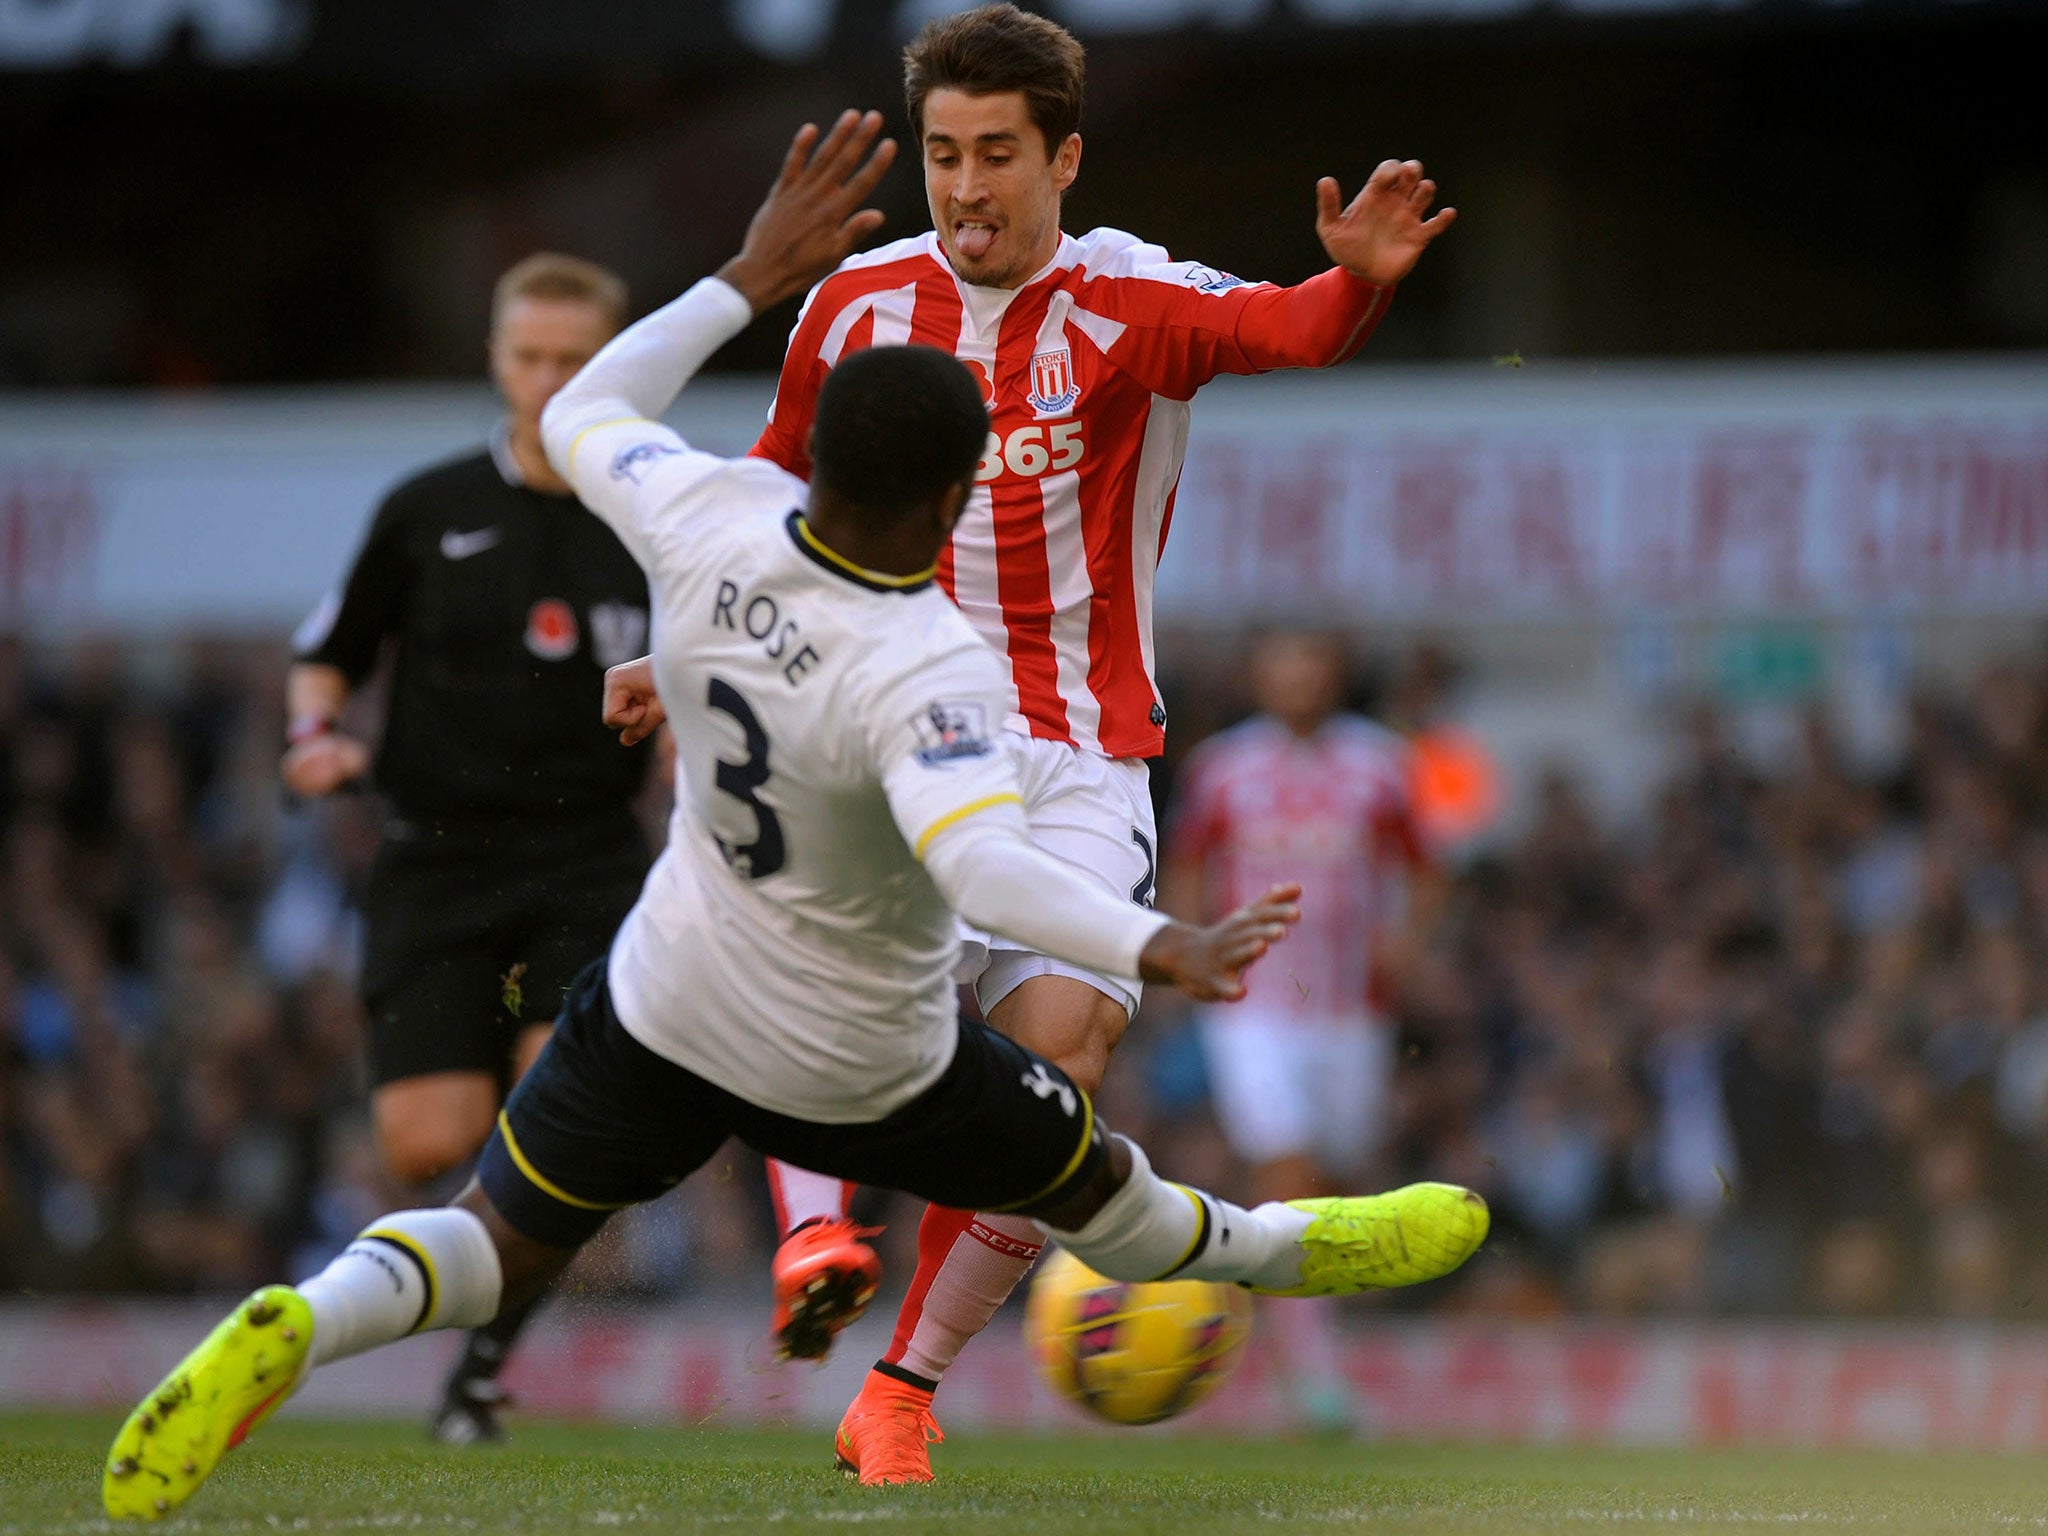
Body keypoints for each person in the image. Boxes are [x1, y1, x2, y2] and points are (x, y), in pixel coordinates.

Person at [102, 112, 1487, 1523]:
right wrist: (1155, 940)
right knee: (1113, 1199)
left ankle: (315, 1316)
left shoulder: (706, 522)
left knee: (491, 1239)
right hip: (853, 1066)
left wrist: (741, 277)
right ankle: (1286, 1250)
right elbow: (992, 875)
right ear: (956, 500)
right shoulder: (928, 667)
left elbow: (586, 413)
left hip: (659, 1005)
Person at [602, 2, 1458, 1481]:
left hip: (1078, 755)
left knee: (1059, 1063)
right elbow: (767, 485)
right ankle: (816, 1238)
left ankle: (903, 1391)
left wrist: (1357, 286)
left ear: (1065, 157)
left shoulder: (1133, 299)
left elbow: (1285, 325)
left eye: (998, 153)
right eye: (944, 154)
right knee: (812, 1016)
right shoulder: (858, 305)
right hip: (887, 725)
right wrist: (684, 645)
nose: (966, 186)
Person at [282, 252, 657, 1443]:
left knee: (559, 1125)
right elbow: (329, 649)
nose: (548, 382)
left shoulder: (657, 515)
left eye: (573, 361)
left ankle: (479, 1371)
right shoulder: (427, 507)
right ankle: (475, 1290)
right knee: (428, 1144)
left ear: (616, 365)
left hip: (587, 862)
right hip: (434, 859)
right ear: (497, 359)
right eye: (528, 357)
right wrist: (313, 733)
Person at [1161, 630, 1442, 1431]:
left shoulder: (1382, 764)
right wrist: (1192, 948)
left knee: (1343, 1170)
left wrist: (1409, 938)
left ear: (1335, 672)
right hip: (1255, 1004)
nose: (1298, 677)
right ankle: (1309, 1365)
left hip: (1354, 1007)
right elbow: (1188, 864)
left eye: (1312, 661)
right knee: (1288, 1161)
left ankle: (1309, 1322)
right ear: (1260, 675)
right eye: (1283, 662)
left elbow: (1425, 867)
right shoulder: (1223, 768)